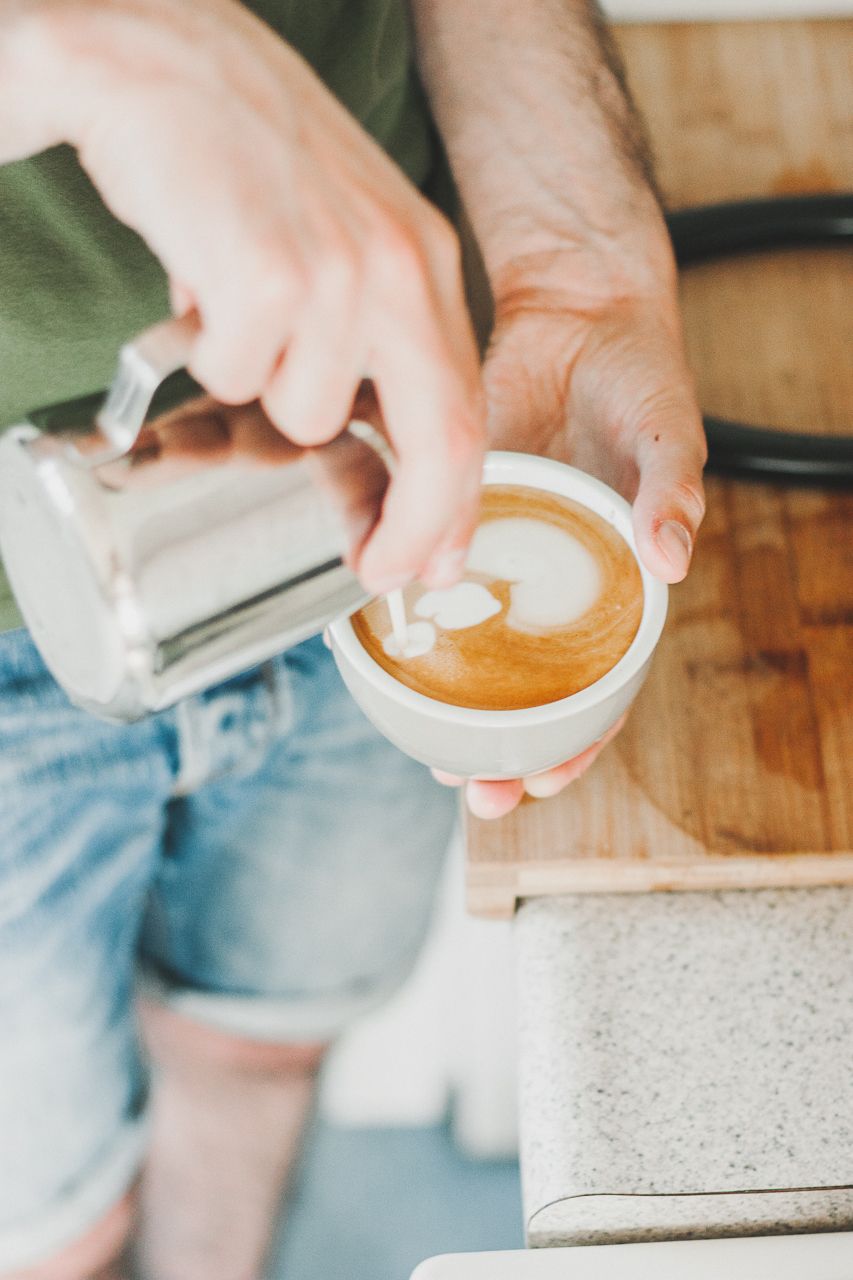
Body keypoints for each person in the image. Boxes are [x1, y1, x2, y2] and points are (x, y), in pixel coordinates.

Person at [0, 2, 706, 1277]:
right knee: (41, 1205)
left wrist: (576, 259)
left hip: (406, 459)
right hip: (31, 574)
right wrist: (84, 44)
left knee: (261, 1037)